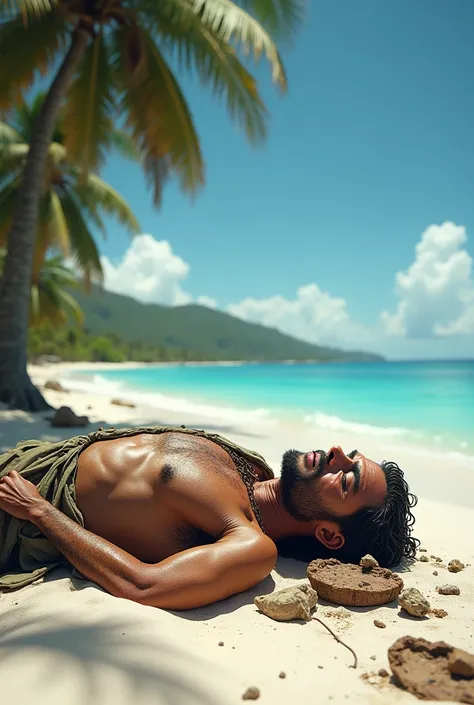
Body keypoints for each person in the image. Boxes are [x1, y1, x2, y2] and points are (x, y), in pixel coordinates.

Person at [0, 424, 418, 610]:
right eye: (350, 456)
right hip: (29, 460)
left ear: (329, 534)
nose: (335, 454)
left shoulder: (251, 545)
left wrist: (39, 511)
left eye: (346, 479)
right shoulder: (250, 467)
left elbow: (143, 585)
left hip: (14, 515)